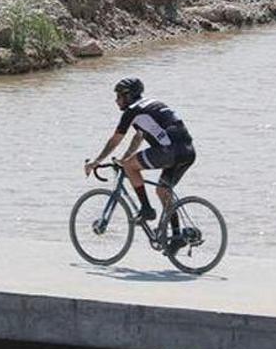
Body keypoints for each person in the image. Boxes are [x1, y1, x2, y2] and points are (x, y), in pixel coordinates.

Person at [84, 77, 196, 254]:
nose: (116, 100)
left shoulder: (131, 111)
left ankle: (146, 209)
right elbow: (139, 136)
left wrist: (96, 161)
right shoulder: (152, 105)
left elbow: (115, 140)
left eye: (119, 96)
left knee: (130, 167)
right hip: (188, 152)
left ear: (128, 96)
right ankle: (176, 237)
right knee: (163, 191)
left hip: (169, 151)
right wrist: (125, 157)